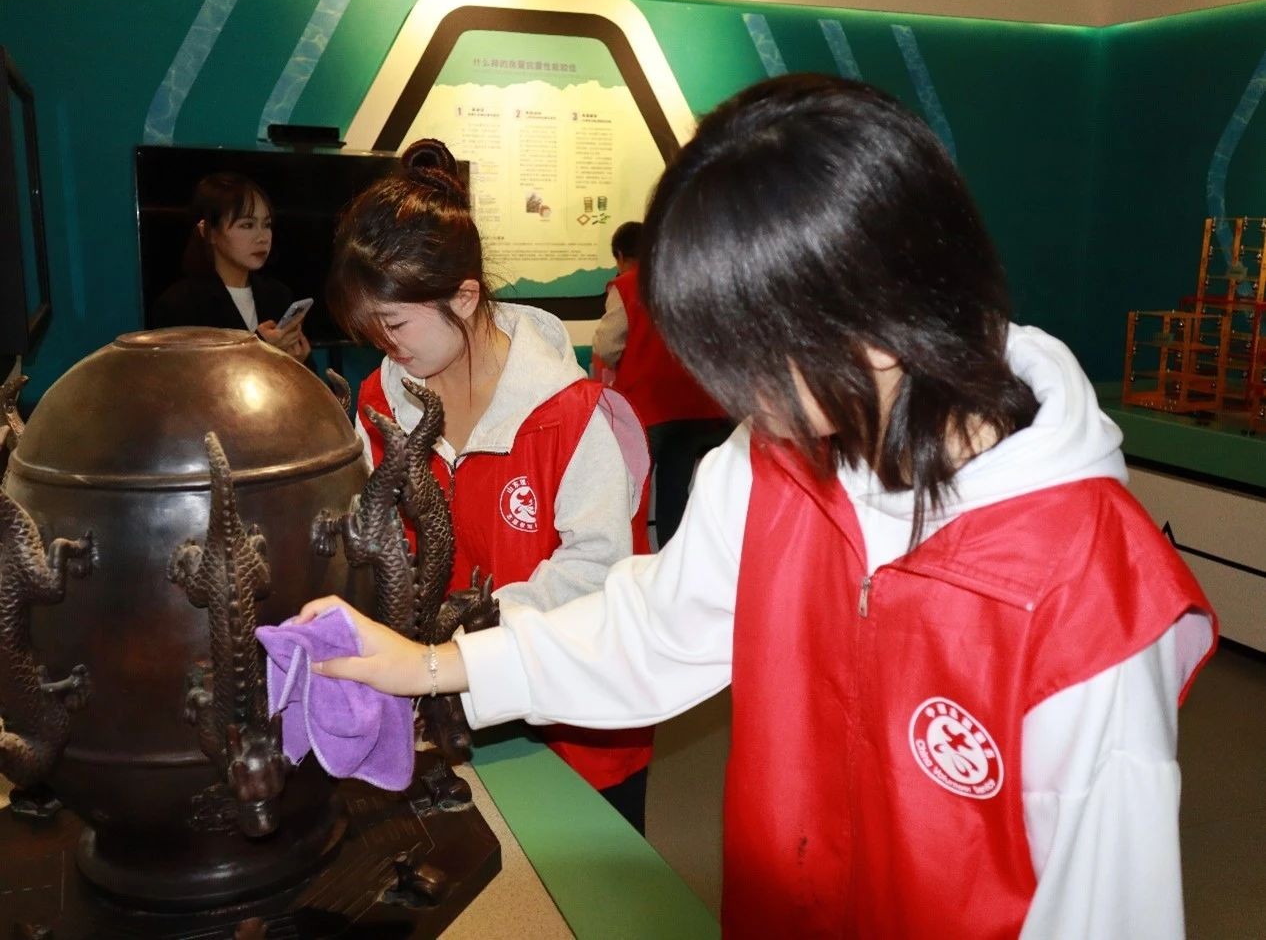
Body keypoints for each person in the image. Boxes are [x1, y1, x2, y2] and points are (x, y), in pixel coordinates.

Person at [298, 76, 1216, 937]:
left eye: (752, 356)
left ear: (878, 307)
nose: (743, 400)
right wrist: (432, 664)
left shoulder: (1083, 579)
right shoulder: (772, 460)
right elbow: (651, 632)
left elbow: (1107, 905)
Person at [326, 139, 656, 832]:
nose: (385, 344)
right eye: (370, 328)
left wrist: (463, 643)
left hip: (571, 728)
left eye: (395, 323)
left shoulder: (570, 413)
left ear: (465, 295)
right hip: (439, 713)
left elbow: (598, 572)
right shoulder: (380, 405)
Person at [593, 221, 731, 545]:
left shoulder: (626, 286)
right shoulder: (690, 281)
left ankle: (631, 557)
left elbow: (606, 346)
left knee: (632, 491)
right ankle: (675, 557)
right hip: (694, 407)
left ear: (620, 255)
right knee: (675, 492)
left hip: (646, 409)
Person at [154, 172, 311, 363]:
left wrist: (297, 362)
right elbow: (188, 376)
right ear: (209, 232)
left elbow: (306, 376)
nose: (262, 237)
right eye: (247, 225)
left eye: (267, 224)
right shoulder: (180, 304)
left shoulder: (278, 295)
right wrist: (262, 349)